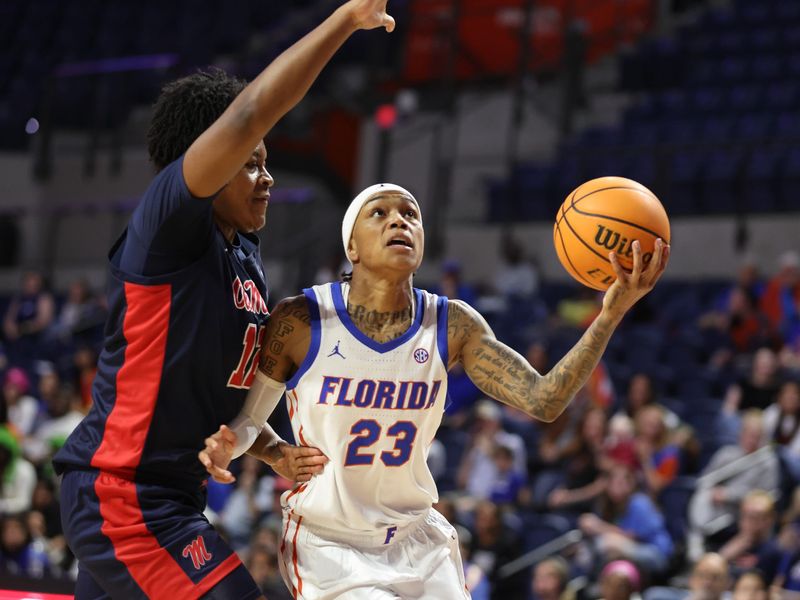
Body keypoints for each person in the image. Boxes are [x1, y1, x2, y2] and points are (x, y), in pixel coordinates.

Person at [51, 2, 396, 599]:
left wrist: (274, 451)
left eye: (268, 164)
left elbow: (215, 402)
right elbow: (250, 112)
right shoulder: (168, 224)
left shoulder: (244, 258)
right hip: (125, 493)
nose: (267, 179)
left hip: (168, 493)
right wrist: (344, 21)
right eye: (250, 164)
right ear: (209, 162)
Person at [200, 183, 669, 597]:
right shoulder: (301, 319)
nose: (399, 220)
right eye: (379, 213)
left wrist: (609, 315)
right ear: (353, 247)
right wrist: (260, 451)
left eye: (410, 214)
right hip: (331, 541)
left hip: (417, 538)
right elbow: (248, 422)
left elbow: (543, 400)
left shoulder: (453, 324)